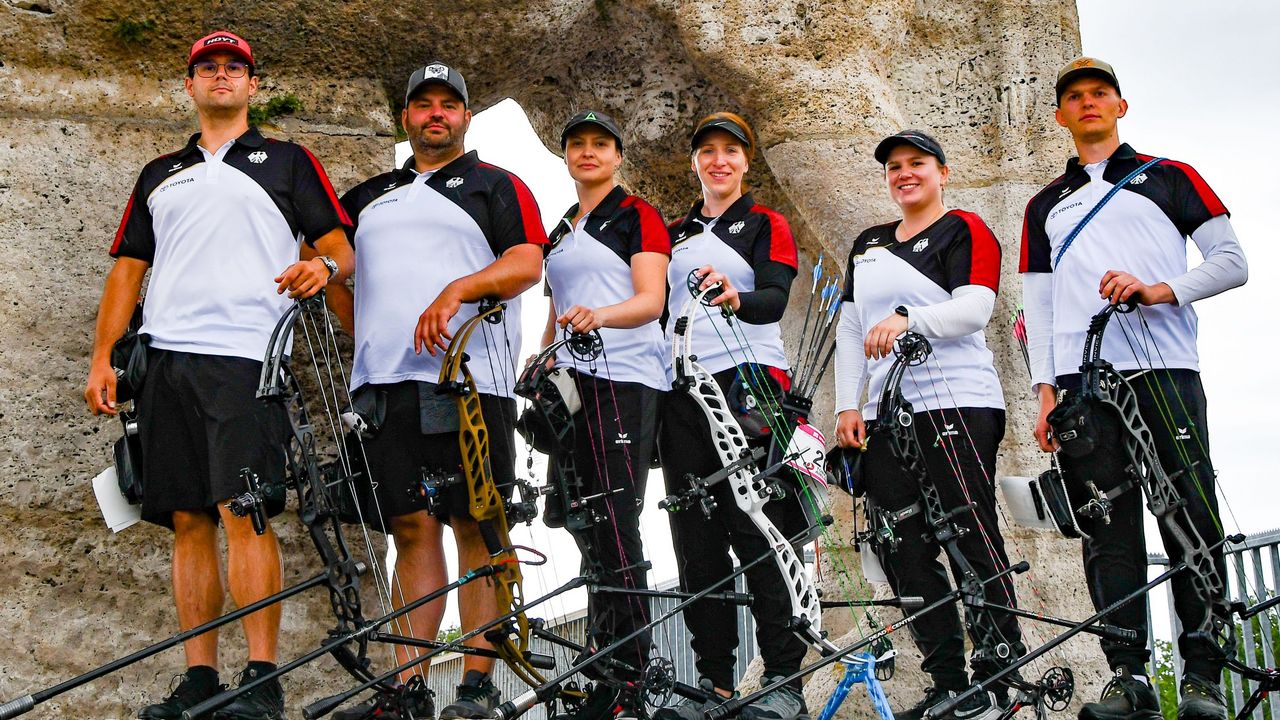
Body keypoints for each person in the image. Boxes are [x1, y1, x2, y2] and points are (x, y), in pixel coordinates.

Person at [83, 31, 353, 720]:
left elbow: (340, 248)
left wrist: (321, 269)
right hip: (164, 360)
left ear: (253, 86)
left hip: (246, 354)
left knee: (247, 509)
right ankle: (200, 678)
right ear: (190, 85)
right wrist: (102, 358)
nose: (222, 77)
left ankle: (262, 677)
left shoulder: (288, 162)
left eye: (235, 68)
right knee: (186, 519)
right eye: (209, 68)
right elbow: (127, 272)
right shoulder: (158, 173)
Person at [1021, 57, 1248, 720]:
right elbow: (1039, 307)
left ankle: (1203, 677)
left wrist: (1159, 290)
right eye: (1074, 97)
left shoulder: (1170, 177)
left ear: (1121, 106)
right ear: (1061, 115)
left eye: (1099, 93)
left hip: (1165, 372)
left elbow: (1233, 262)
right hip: (1084, 388)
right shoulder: (1044, 206)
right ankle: (1128, 675)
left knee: (1189, 519)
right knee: (1105, 528)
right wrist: (1045, 392)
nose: (1087, 103)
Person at [327, 61, 545, 720]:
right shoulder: (365, 197)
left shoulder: (495, 184)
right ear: (406, 118)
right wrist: (365, 333)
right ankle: (409, 688)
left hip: (470, 379)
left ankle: (477, 686)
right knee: (409, 528)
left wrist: (456, 290)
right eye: (423, 105)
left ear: (466, 117)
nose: (436, 114)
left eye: (449, 104)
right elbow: (334, 267)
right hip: (385, 385)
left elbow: (526, 263)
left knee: (477, 525)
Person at [833, 130, 1020, 720]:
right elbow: (849, 329)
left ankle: (996, 680)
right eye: (893, 166)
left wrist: (908, 317)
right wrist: (848, 407)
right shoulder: (867, 244)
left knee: (969, 533)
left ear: (942, 171)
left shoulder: (964, 228)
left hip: (957, 402)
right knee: (901, 547)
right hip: (885, 414)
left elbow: (975, 308)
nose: (904, 173)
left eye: (917, 163)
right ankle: (947, 682)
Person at [655, 112, 805, 720]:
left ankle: (783, 679)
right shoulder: (673, 233)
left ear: (746, 162)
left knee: (763, 530)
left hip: (750, 385)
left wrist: (736, 296)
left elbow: (774, 298)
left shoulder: (766, 223)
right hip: (681, 390)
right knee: (696, 541)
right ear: (695, 161)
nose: (719, 161)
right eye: (708, 151)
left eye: (731, 153)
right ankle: (714, 684)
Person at [533, 110, 671, 719]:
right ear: (566, 157)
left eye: (600, 144)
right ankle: (603, 666)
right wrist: (541, 356)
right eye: (577, 145)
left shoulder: (638, 214)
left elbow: (649, 300)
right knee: (582, 522)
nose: (588, 153)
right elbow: (556, 307)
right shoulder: (562, 227)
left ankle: (633, 678)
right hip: (572, 383)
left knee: (616, 520)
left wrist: (599, 317)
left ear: (618, 155)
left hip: (626, 379)